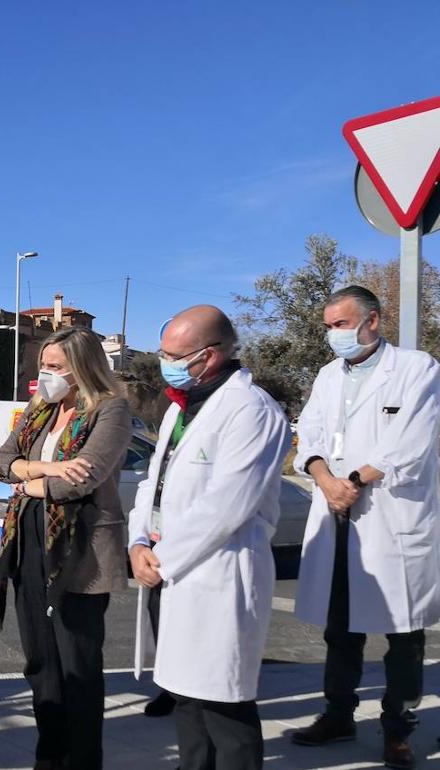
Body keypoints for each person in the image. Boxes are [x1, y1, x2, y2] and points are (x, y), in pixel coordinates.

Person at [127, 305, 289, 770]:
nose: (166, 363)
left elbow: (227, 505)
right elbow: (150, 485)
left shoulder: (251, 411)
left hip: (218, 573)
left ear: (211, 355)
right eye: (163, 353)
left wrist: (162, 557)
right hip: (170, 570)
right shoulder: (182, 409)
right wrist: (139, 541)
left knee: (224, 703)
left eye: (176, 355)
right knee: (184, 695)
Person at [288, 286, 440, 770]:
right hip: (336, 511)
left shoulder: (417, 369)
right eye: (329, 326)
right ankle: (338, 714)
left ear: (372, 321)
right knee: (340, 627)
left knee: (404, 632)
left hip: (392, 517)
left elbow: (411, 443)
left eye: (341, 324)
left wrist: (352, 482)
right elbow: (308, 433)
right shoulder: (329, 375)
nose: (334, 335)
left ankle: (398, 728)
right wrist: (325, 479)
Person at [0, 326, 132, 770]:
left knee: (78, 664)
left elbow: (84, 478)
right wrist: (46, 468)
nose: (45, 375)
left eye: (55, 368)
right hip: (28, 540)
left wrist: (28, 482)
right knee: (40, 661)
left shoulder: (111, 410)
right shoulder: (40, 408)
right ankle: (49, 757)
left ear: (83, 369)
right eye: (42, 366)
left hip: (80, 549)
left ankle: (84, 760)